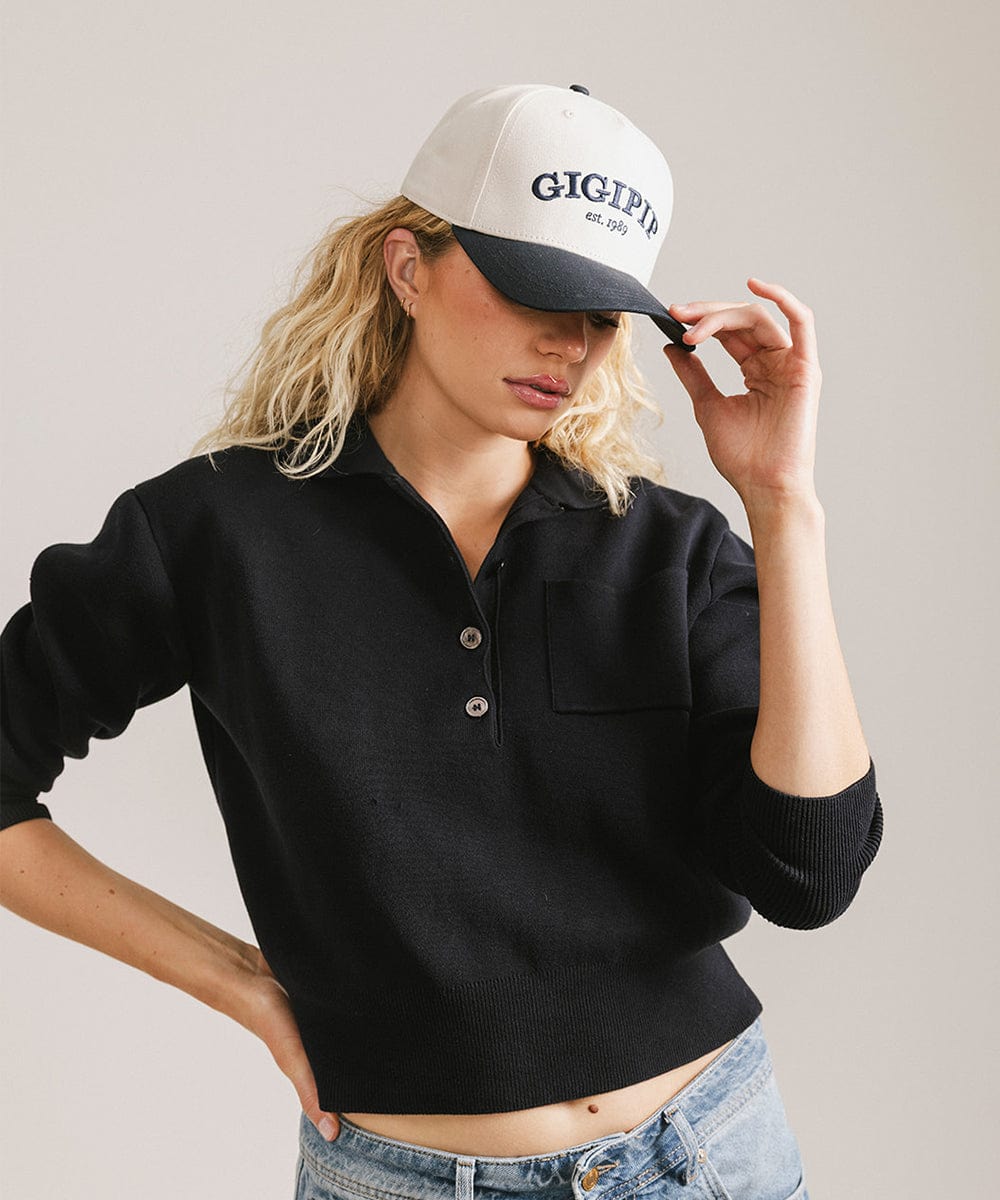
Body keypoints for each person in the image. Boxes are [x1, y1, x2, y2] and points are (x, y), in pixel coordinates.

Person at [0, 82, 882, 1199]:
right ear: (407, 267)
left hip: (708, 1151)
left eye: (601, 313)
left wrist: (782, 504)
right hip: (407, 1177)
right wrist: (236, 979)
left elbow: (809, 872)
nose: (566, 344)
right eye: (531, 291)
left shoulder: (668, 548)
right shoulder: (214, 533)